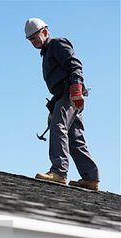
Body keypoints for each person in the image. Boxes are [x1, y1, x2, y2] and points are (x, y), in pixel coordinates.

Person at [24, 18, 100, 191]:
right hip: (64, 96)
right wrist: (55, 106)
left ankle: (58, 172)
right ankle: (90, 177)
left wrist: (75, 89)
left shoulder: (57, 44)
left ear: (45, 32)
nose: (34, 42)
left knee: (58, 126)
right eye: (31, 40)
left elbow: (75, 65)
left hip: (70, 93)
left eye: (35, 37)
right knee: (75, 138)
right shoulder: (47, 52)